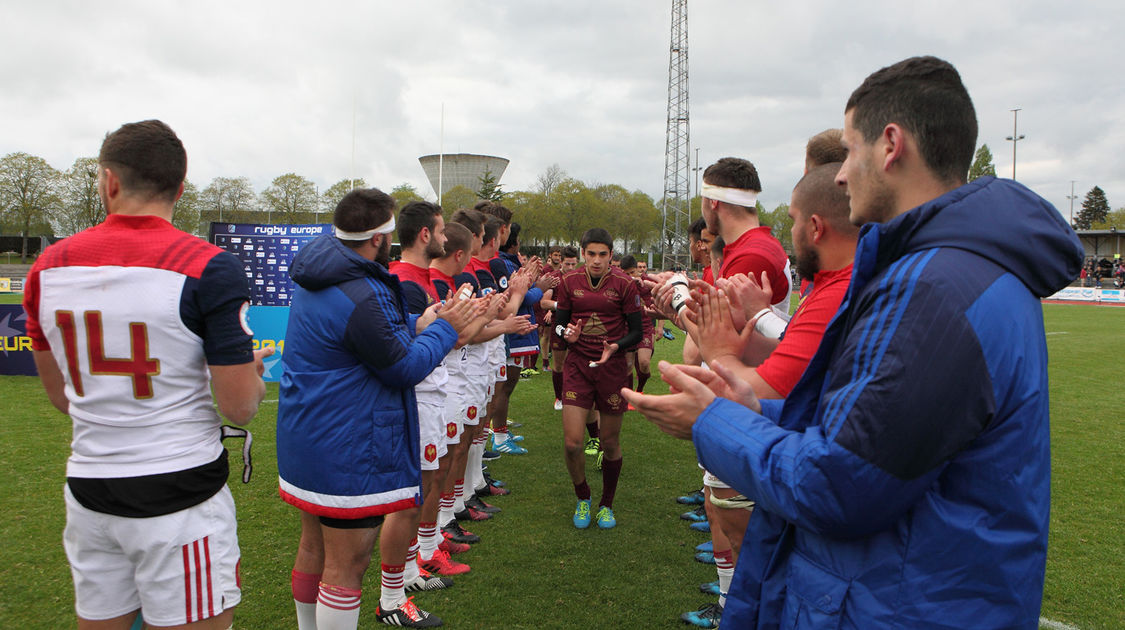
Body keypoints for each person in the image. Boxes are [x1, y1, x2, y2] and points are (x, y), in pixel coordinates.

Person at [624, 55, 1084, 629]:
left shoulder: (938, 288)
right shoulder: (941, 272)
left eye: (850, 149)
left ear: (890, 146)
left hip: (902, 605)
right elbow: (869, 431)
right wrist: (757, 408)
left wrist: (714, 420)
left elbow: (840, 486)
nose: (839, 176)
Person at [23, 119, 270, 629]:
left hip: (90, 485)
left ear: (108, 181)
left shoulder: (47, 266)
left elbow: (62, 396)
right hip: (178, 494)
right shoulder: (208, 266)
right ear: (180, 188)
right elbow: (240, 406)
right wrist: (252, 375)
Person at [277, 188, 478, 629]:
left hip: (306, 434)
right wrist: (444, 330)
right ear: (378, 239)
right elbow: (403, 368)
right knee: (346, 564)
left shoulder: (323, 274)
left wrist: (416, 323)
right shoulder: (361, 290)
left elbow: (358, 333)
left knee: (313, 546)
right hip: (345, 440)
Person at [676, 162, 859, 628]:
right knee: (729, 516)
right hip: (786, 434)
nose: (786, 234)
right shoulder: (825, 280)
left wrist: (689, 320)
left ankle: (732, 605)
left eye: (795, 220)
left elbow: (758, 381)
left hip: (780, 441)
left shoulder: (759, 253)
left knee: (738, 522)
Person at [554, 228, 642, 529]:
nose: (596, 260)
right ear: (582, 254)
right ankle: (583, 497)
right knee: (572, 443)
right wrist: (567, 333)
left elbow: (637, 331)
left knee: (609, 442)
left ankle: (606, 504)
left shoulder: (625, 285)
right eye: (591, 254)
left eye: (602, 254)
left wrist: (616, 345)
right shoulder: (569, 282)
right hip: (578, 367)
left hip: (613, 368)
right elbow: (557, 326)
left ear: (611, 256)